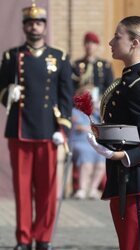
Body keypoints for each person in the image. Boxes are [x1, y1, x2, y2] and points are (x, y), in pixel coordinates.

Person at [87, 16, 140, 250]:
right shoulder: (127, 80)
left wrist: (120, 156)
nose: (111, 42)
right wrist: (103, 134)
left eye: (117, 37)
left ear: (134, 43)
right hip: (125, 181)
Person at [0, 3, 73, 250]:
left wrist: (62, 128)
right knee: (22, 190)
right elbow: (1, 90)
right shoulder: (11, 56)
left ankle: (43, 238)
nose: (35, 26)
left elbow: (66, 96)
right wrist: (9, 92)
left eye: (39, 22)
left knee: (47, 191)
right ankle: (23, 238)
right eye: (30, 23)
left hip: (47, 131)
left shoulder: (60, 57)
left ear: (44, 26)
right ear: (24, 27)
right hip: (20, 130)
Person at [71, 31, 114, 194]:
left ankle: (94, 187)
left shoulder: (104, 65)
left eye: (93, 43)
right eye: (87, 43)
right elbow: (71, 88)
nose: (90, 46)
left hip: (98, 108)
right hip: (81, 109)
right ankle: (81, 187)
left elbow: (110, 88)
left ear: (97, 46)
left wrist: (101, 103)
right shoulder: (76, 65)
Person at [69, 90, 106, 200]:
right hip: (78, 142)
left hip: (92, 143)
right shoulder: (74, 112)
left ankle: (93, 189)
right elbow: (76, 126)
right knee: (86, 155)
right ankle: (82, 189)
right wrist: (88, 128)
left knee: (102, 158)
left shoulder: (93, 113)